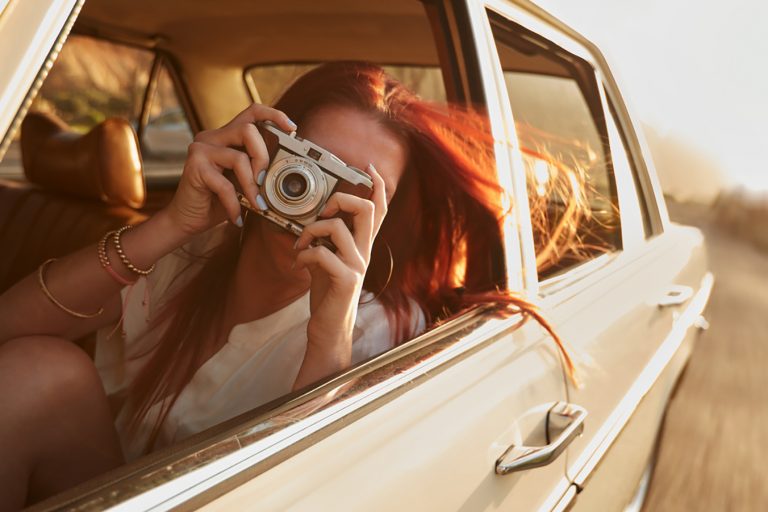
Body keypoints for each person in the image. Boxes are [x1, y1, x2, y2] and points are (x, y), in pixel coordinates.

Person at [0, 61, 580, 509]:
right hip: (104, 486)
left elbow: (315, 494)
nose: (315, 197)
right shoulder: (192, 252)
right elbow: (10, 329)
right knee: (36, 371)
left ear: (382, 222)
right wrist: (171, 224)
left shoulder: (381, 329)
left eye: (351, 188)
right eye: (308, 165)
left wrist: (330, 333)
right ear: (265, 150)